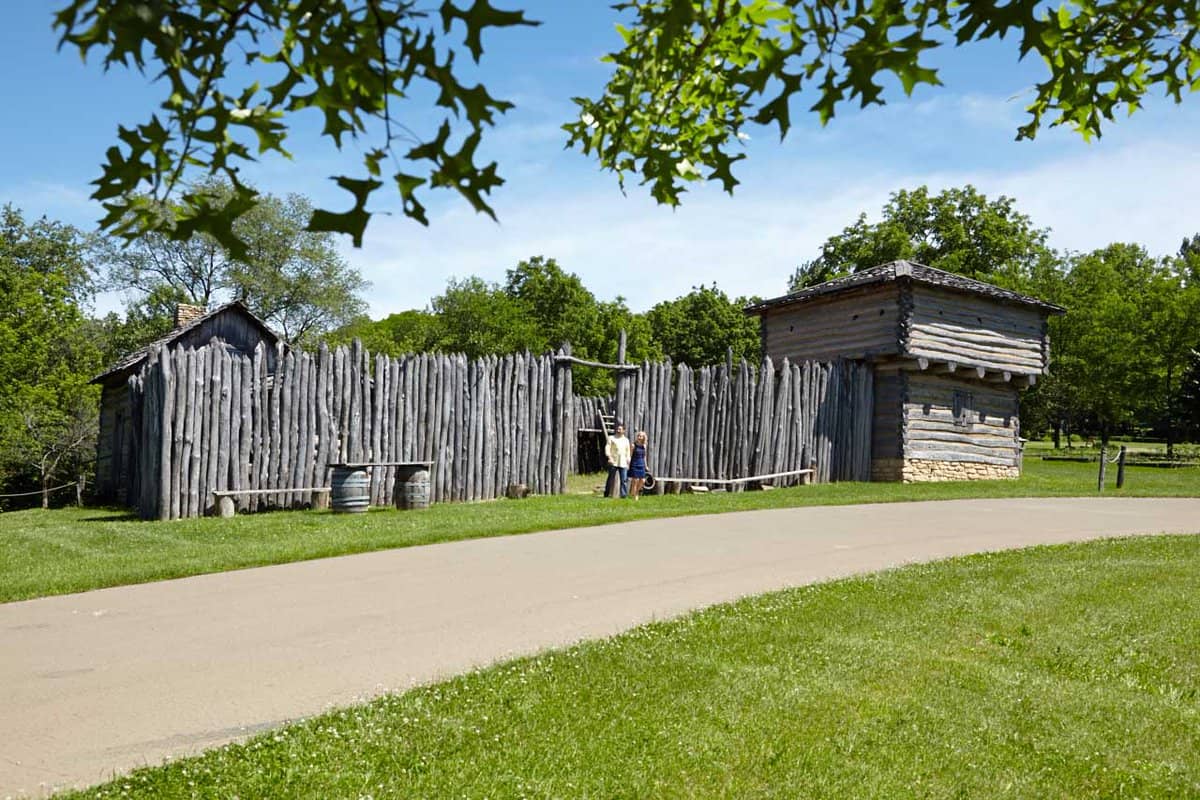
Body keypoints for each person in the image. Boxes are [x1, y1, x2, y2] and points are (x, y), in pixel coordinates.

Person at [605, 423, 631, 499]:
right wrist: (609, 457)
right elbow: (607, 448)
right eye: (617, 429)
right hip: (614, 461)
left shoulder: (626, 440)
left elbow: (628, 451)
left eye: (620, 429)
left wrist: (628, 460)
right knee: (610, 478)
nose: (618, 430)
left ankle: (623, 495)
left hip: (623, 462)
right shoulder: (611, 438)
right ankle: (607, 493)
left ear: (624, 430)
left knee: (624, 480)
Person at [628, 431, 649, 499]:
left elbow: (644, 456)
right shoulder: (633, 445)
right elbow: (630, 455)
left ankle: (636, 492)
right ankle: (635, 495)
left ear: (643, 438)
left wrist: (646, 466)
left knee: (643, 480)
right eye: (638, 436)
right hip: (634, 463)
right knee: (635, 480)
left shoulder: (644, 446)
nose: (639, 437)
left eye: (641, 436)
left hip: (641, 464)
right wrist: (628, 464)